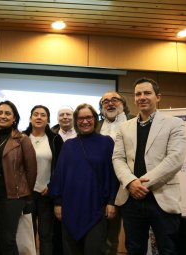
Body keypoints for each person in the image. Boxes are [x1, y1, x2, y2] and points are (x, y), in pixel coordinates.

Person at [112, 77, 186, 255]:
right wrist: (131, 183)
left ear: (158, 97)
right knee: (134, 248)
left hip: (162, 198)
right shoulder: (124, 127)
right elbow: (118, 158)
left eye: (147, 93)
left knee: (167, 249)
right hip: (131, 199)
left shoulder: (174, 123)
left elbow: (175, 158)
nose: (142, 97)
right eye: (138, 94)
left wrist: (142, 184)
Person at [50, 103, 118, 255]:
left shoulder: (107, 143)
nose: (85, 121)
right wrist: (58, 203)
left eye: (89, 117)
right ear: (76, 120)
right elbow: (59, 175)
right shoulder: (68, 145)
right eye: (81, 118)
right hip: (70, 208)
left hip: (97, 208)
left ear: (95, 119)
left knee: (94, 250)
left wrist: (112, 201)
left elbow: (112, 174)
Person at [0, 100, 37, 255]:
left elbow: (31, 170)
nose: (2, 116)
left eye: (7, 113)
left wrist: (27, 195)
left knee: (8, 238)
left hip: (13, 194)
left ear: (14, 118)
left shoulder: (22, 139)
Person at [96, 91, 134, 255]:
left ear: (123, 103)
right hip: (102, 187)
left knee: (133, 237)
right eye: (105, 101)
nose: (110, 103)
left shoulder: (136, 120)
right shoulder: (95, 125)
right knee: (106, 236)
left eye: (114, 100)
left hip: (131, 185)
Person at [23, 105, 63, 255]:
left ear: (48, 120)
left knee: (46, 235)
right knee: (27, 235)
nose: (39, 117)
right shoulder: (21, 137)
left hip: (46, 194)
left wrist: (53, 185)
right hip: (26, 195)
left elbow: (61, 167)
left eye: (43, 115)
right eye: (36, 114)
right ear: (30, 118)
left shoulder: (55, 139)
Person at [51, 105, 77, 255]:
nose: (65, 117)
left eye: (68, 114)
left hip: (76, 188)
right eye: (62, 115)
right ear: (57, 118)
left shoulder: (81, 135)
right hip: (56, 189)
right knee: (56, 231)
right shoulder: (52, 136)